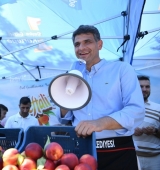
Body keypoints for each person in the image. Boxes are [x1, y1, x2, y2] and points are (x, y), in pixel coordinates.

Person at [59, 25, 145, 170]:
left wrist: (99, 123)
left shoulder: (121, 69)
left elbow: (136, 111)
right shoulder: (71, 75)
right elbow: (64, 117)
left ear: (100, 44)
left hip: (118, 150)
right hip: (82, 149)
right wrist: (65, 92)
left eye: (87, 42)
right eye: (77, 44)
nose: (81, 47)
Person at [133, 75, 160, 170]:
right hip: (133, 157)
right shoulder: (126, 107)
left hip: (155, 159)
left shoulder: (158, 108)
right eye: (141, 86)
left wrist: (155, 131)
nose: (144, 89)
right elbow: (115, 130)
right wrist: (131, 131)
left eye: (147, 87)